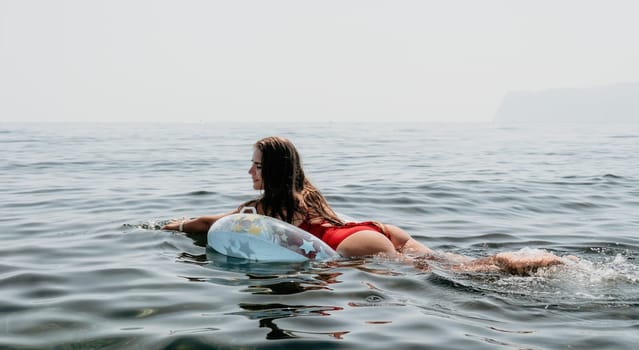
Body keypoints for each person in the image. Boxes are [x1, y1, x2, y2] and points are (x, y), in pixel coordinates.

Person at [163, 136, 564, 274]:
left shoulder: (262, 207)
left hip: (350, 246)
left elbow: (206, 223)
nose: (249, 171)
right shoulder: (308, 193)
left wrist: (176, 225)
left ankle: (521, 264)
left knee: (456, 277)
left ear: (270, 171)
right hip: (372, 230)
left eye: (255, 165)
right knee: (454, 264)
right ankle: (532, 260)